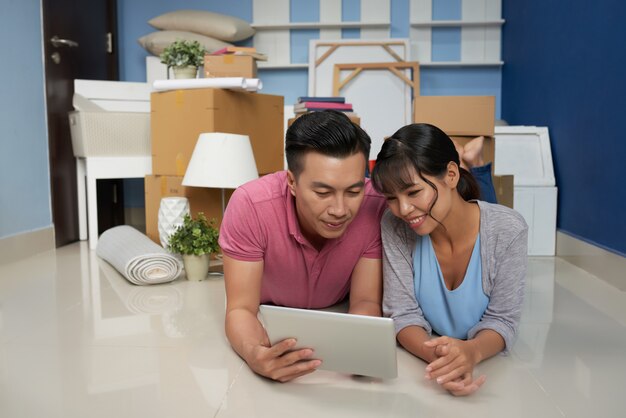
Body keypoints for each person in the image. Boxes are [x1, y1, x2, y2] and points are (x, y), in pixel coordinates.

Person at [218, 110, 387, 382]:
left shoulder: (375, 205)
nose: (340, 209)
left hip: (335, 313)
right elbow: (240, 309)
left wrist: (360, 348)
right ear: (292, 182)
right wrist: (254, 354)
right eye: (323, 193)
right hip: (270, 317)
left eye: (354, 191)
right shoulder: (250, 204)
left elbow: (366, 301)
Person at [370, 123, 528, 396]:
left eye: (414, 192)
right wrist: (442, 360)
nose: (403, 209)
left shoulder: (509, 230)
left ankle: (476, 162)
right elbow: (402, 313)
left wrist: (472, 351)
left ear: (451, 175)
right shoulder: (394, 225)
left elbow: (503, 319)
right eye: (391, 198)